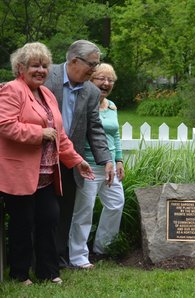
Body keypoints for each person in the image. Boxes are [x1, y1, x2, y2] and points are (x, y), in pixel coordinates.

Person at [0, 42, 95, 285]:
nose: (41, 70)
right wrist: (38, 133)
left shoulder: (47, 94)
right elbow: (5, 124)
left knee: (50, 220)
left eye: (44, 66)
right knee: (23, 224)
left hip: (46, 175)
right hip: (20, 173)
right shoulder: (12, 90)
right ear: (20, 68)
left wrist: (77, 161)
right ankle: (20, 274)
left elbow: (60, 136)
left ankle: (48, 271)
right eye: (35, 66)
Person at [44, 40, 115, 266]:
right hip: (39, 157)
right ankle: (35, 258)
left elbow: (95, 129)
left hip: (69, 159)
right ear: (74, 61)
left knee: (65, 211)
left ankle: (56, 257)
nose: (95, 71)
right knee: (41, 210)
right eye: (92, 65)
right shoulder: (47, 76)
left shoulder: (91, 91)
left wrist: (106, 160)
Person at [69, 63, 125, 268]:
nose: (106, 83)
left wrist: (118, 159)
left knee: (116, 203)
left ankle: (103, 248)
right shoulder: (82, 104)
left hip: (110, 167)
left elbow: (115, 135)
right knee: (84, 211)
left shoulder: (111, 107)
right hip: (88, 166)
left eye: (110, 80)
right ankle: (78, 256)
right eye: (101, 78)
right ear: (91, 80)